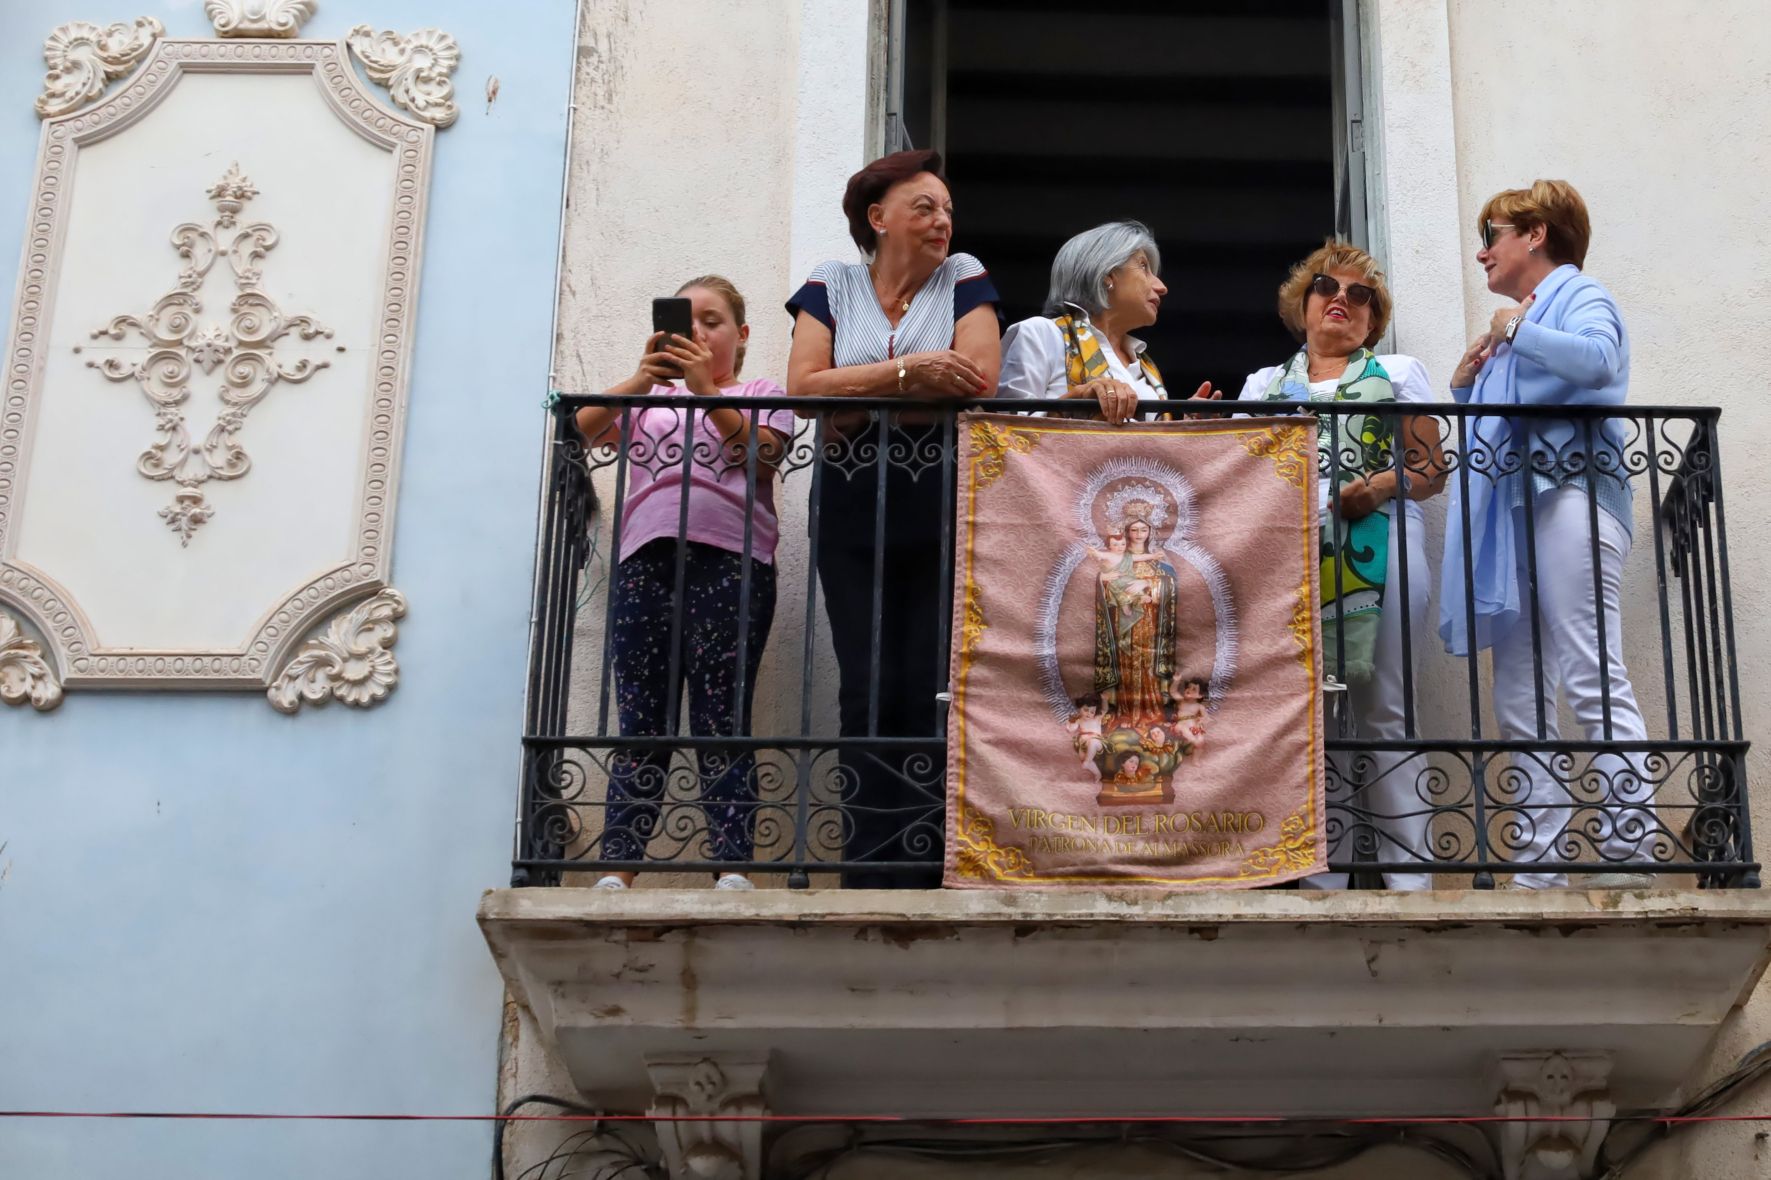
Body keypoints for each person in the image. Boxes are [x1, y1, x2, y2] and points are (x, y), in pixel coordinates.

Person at [785, 149, 1001, 888]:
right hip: (849, 501)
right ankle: (867, 865)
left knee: (928, 678)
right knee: (863, 681)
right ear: (878, 219)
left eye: (945, 208)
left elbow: (975, 380)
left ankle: (924, 857)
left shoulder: (964, 276)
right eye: (924, 207)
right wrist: (911, 374)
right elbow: (802, 390)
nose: (942, 220)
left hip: (938, 497)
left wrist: (855, 397)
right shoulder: (829, 284)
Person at [1441, 180, 1649, 890]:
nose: (1480, 251)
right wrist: (1466, 385)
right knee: (1519, 696)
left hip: (1571, 495)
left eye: (1491, 233)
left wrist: (1515, 333)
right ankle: (1537, 869)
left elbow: (1599, 365)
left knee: (1590, 670)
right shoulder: (1517, 321)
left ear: (1535, 235)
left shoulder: (1579, 295)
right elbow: (1500, 422)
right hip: (1516, 517)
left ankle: (1631, 847)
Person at [1238, 240, 1446, 890]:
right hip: (1290, 557)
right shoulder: (1261, 388)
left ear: (1372, 319)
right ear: (1301, 303)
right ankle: (1317, 881)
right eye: (1326, 286)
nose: (1341, 300)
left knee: (1384, 707)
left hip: (1382, 543)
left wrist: (1376, 486)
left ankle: (1409, 883)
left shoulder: (1400, 372)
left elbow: (1429, 468)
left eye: (1360, 296)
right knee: (1306, 714)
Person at [574, 276, 794, 891]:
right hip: (645, 562)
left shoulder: (758, 391)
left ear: (741, 335)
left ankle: (732, 865)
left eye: (713, 320)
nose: (698, 331)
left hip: (732, 563)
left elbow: (767, 453)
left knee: (721, 717)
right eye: (686, 320)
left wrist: (705, 391)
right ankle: (619, 868)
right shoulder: (647, 400)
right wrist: (644, 377)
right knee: (642, 720)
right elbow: (579, 432)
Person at [997, 220, 1221, 420]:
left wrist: (1188, 428)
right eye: (1144, 267)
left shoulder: (1144, 365)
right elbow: (1004, 433)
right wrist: (1079, 399)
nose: (1161, 287)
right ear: (1107, 276)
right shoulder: (1040, 334)